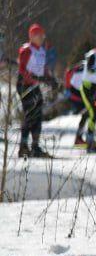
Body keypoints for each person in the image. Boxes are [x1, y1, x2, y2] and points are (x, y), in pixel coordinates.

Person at [16, 23, 53, 158]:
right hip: (24, 84)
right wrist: (32, 79)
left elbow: (42, 69)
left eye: (42, 35)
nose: (41, 38)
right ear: (31, 36)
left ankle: (35, 146)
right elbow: (22, 69)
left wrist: (50, 79)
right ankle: (23, 146)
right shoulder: (27, 49)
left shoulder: (42, 50)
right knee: (30, 114)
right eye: (38, 35)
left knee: (38, 114)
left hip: (35, 85)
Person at [65, 57, 89, 148]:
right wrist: (67, 89)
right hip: (76, 95)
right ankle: (79, 138)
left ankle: (79, 138)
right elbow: (69, 74)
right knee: (87, 114)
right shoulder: (84, 67)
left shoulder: (82, 66)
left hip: (78, 94)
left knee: (87, 115)